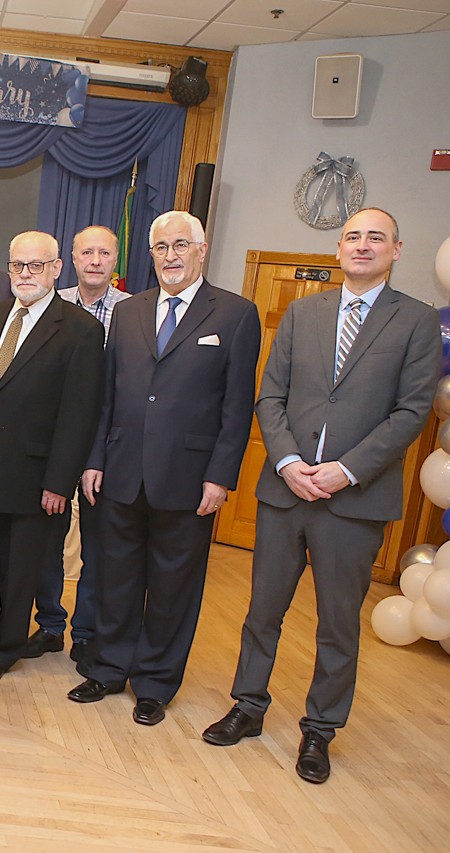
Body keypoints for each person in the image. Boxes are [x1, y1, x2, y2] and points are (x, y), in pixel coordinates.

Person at [202, 208, 439, 784]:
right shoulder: (303, 313)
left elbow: (411, 412)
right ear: (338, 250)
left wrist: (346, 471)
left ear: (396, 250)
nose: (363, 245)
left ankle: (320, 730)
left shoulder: (416, 320)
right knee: (263, 613)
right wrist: (287, 462)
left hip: (355, 502)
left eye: (376, 238)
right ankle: (248, 706)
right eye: (353, 237)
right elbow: (270, 396)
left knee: (337, 625)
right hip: (286, 492)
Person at [68, 211, 260, 728]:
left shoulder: (236, 314)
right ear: (149, 254)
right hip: (120, 471)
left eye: (180, 245)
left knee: (174, 588)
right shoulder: (128, 311)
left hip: (189, 478)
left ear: (201, 250)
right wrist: (94, 458)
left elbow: (237, 406)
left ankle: (154, 684)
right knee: (115, 579)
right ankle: (108, 669)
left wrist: (220, 475)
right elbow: (108, 393)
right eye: (161, 247)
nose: (170, 256)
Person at [0, 231, 105, 684]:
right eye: (18, 265)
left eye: (36, 265)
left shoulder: (81, 329)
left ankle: (3, 648)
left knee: (19, 574)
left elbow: (80, 414)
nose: (26, 274)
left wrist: (60, 482)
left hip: (34, 479)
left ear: (56, 269)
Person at [31, 225, 133, 675]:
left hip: (106, 449)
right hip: (53, 445)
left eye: (104, 253)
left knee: (98, 547)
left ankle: (87, 632)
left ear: (116, 260)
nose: (95, 261)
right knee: (46, 543)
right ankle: (50, 625)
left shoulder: (133, 312)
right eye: (86, 252)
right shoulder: (49, 305)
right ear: (70, 259)